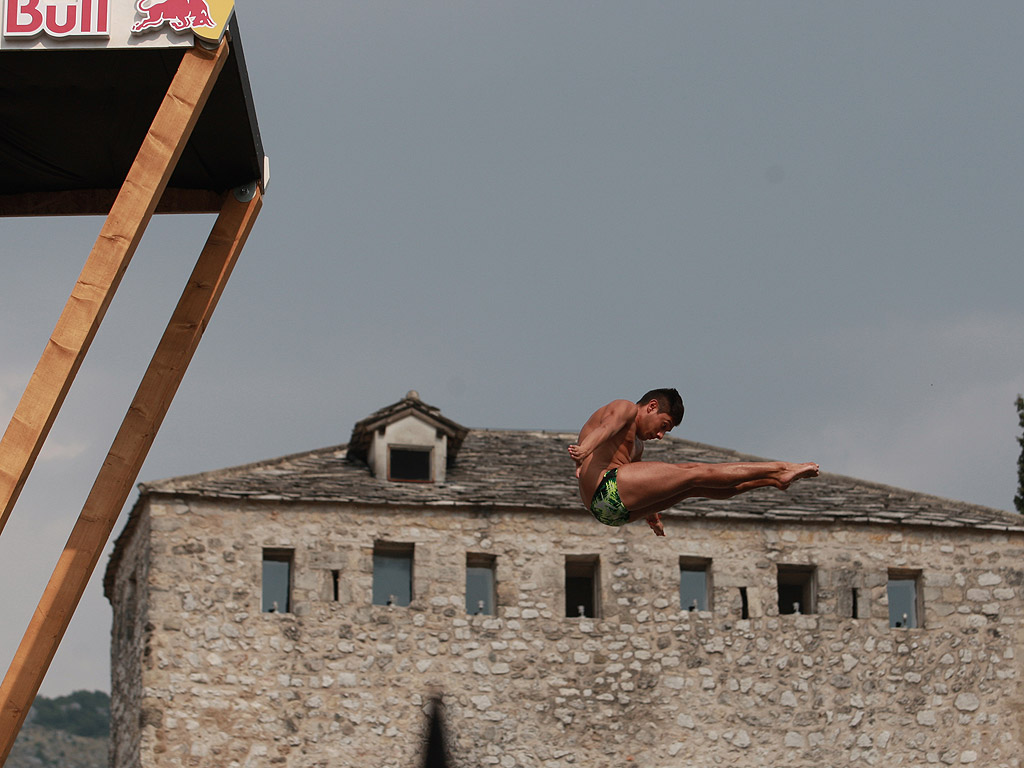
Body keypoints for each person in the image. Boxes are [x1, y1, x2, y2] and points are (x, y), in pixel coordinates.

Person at [568, 389, 819, 536]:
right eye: (663, 425)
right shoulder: (625, 408)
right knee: (694, 472)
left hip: (613, 513)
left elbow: (640, 485)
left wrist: (652, 516)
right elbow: (605, 428)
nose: (660, 435)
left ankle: (770, 480)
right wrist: (584, 450)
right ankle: (781, 468)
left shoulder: (637, 445)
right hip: (605, 490)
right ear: (651, 407)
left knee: (695, 488)